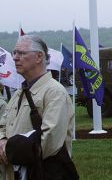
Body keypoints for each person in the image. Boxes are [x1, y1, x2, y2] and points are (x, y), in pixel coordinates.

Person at [0, 34, 79, 179]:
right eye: (14, 53)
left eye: (22, 53)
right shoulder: (19, 93)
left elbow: (49, 142)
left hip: (42, 173)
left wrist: (9, 152)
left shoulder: (55, 92)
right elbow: (3, 126)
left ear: (39, 57)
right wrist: (2, 141)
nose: (15, 57)